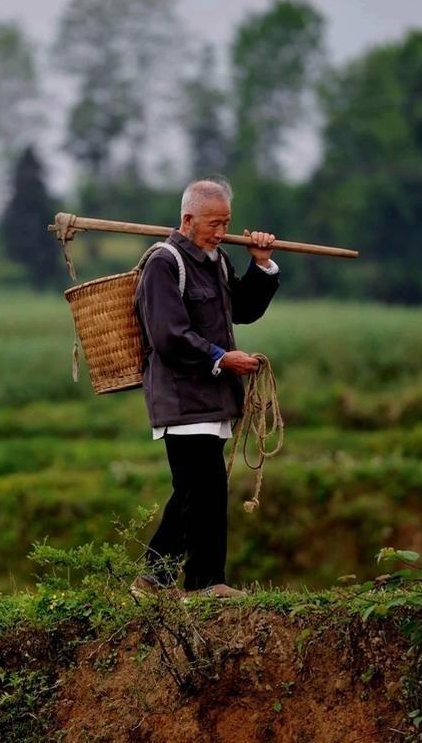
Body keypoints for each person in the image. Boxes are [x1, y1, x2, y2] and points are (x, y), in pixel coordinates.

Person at [131, 178, 279, 598]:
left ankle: (155, 581)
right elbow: (168, 335)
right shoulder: (165, 262)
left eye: (226, 223)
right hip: (181, 398)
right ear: (187, 219)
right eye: (213, 224)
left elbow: (244, 310)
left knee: (194, 492)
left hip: (213, 399)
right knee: (206, 488)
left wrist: (262, 265)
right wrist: (221, 357)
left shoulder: (218, 260)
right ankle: (205, 583)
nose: (220, 232)